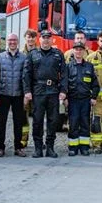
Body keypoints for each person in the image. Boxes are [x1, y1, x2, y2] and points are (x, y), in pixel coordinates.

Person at [26, 30, 66, 158]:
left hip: (53, 91)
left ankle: (50, 148)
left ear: (51, 40)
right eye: (44, 37)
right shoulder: (33, 54)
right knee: (37, 120)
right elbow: (26, 74)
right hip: (38, 91)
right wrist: (27, 91)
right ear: (40, 39)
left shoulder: (58, 54)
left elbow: (64, 74)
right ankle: (38, 148)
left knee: (53, 120)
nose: (46, 40)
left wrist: (63, 91)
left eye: (48, 38)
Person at [0, 33, 29, 157]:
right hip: (3, 94)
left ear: (18, 42)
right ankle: (0, 147)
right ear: (7, 42)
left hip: (19, 94)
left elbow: (26, 78)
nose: (12, 42)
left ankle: (18, 147)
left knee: (18, 122)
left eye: (14, 40)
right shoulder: (0, 57)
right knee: (1, 122)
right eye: (10, 40)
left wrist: (26, 93)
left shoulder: (24, 58)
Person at [64, 41, 99, 156]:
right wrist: (65, 98)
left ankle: (84, 147)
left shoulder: (89, 66)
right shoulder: (68, 67)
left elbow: (95, 84)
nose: (78, 51)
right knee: (73, 123)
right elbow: (64, 84)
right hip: (73, 100)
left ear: (84, 51)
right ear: (73, 51)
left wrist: (93, 97)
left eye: (80, 49)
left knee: (85, 123)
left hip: (85, 100)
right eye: (76, 49)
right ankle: (73, 147)